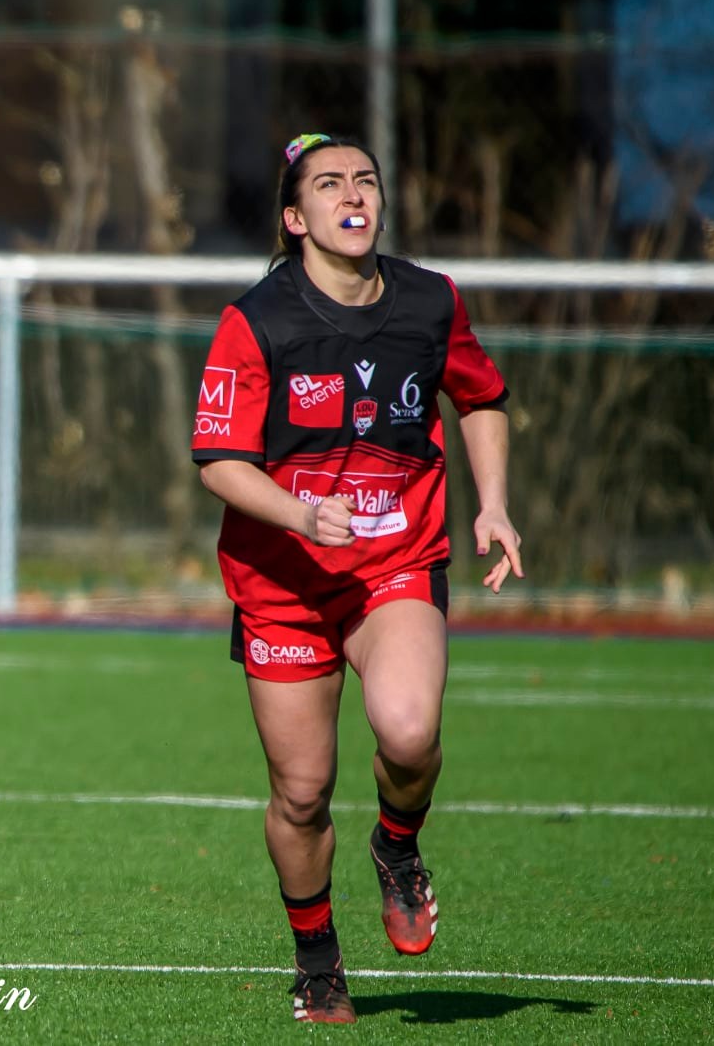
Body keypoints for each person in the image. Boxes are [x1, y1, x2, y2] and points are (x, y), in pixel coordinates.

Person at [191, 133, 524, 1024]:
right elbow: (219, 461)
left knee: (408, 733)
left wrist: (491, 504)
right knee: (300, 793)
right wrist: (301, 515)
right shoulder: (255, 320)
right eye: (329, 183)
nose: (354, 194)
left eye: (366, 180)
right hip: (283, 583)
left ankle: (396, 844)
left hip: (393, 563)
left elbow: (481, 397)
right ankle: (318, 964)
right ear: (294, 218)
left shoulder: (428, 300)